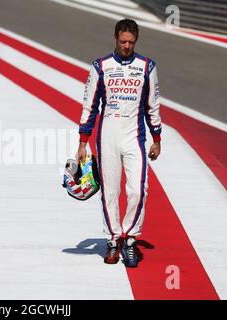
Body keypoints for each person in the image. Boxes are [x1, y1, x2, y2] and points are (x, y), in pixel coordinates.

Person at [76, 19, 162, 268]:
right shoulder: (100, 66)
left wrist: (157, 138)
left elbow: (152, 105)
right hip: (108, 137)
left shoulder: (147, 66)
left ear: (136, 41)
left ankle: (131, 238)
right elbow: (89, 106)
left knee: (137, 190)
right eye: (123, 41)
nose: (126, 46)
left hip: (135, 136)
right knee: (110, 192)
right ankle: (114, 240)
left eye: (131, 42)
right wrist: (83, 141)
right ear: (115, 38)